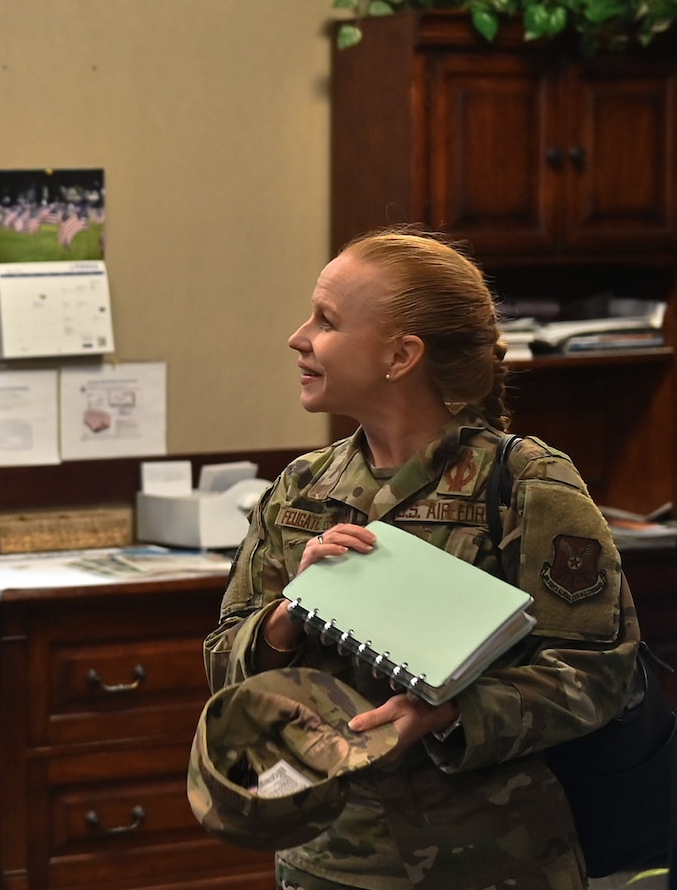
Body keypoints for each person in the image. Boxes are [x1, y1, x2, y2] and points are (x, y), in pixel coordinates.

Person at [202, 227, 640, 890]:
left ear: (401, 355)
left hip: (492, 860)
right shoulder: (302, 488)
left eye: (327, 321)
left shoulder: (525, 483)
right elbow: (223, 661)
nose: (299, 337)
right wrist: (288, 615)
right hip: (326, 860)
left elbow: (597, 673)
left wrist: (448, 715)